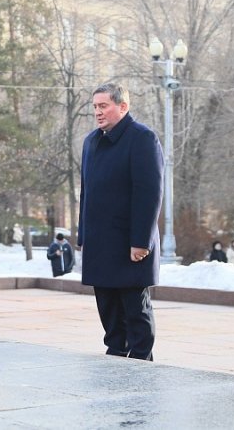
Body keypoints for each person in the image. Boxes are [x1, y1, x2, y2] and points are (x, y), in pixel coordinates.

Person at [78, 82, 164, 361]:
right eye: (95, 107)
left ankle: (141, 358)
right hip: (100, 242)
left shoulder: (142, 138)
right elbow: (87, 193)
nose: (98, 112)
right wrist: (83, 237)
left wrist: (141, 240)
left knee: (134, 309)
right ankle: (115, 352)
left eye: (104, 106)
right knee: (107, 306)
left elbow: (149, 193)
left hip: (130, 243)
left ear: (123, 106)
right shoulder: (91, 141)